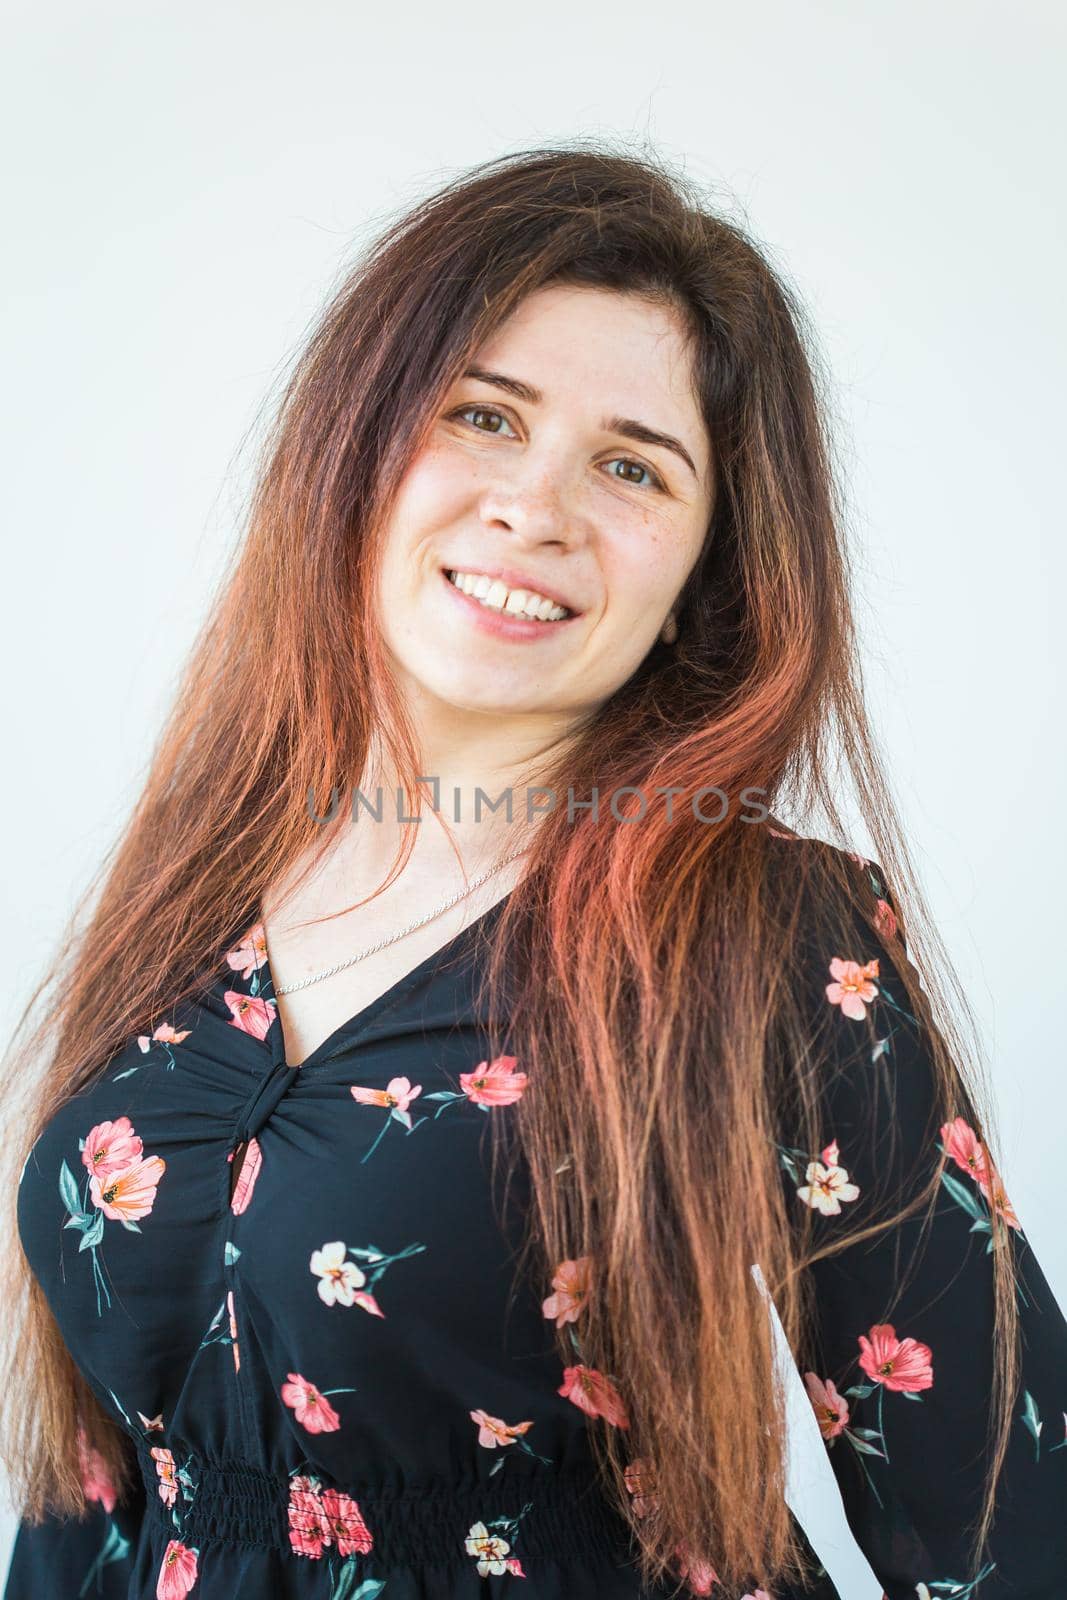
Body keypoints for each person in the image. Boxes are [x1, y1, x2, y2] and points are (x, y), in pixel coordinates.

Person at [2, 144, 1064, 1600]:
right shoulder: (208, 863)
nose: (536, 505)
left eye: (632, 466)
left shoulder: (770, 936)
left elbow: (1004, 1523)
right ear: (358, 443)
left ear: (709, 569)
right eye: (482, 416)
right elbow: (94, 1485)